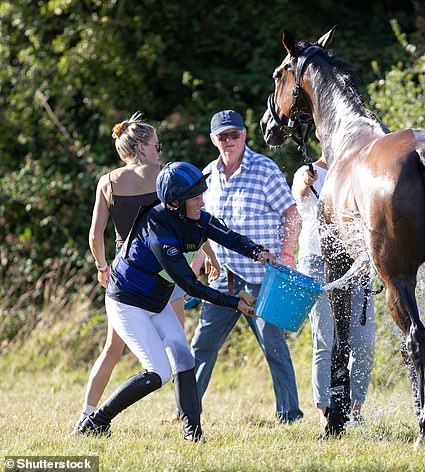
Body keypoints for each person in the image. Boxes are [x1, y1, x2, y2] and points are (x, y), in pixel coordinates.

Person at [75, 161, 274, 441]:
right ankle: (96, 422)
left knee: (183, 357)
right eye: (195, 197)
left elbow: (228, 236)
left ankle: (193, 434)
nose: (201, 201)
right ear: (175, 203)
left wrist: (258, 252)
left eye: (201, 194)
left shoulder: (194, 217)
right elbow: (190, 285)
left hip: (155, 301)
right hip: (126, 302)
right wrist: (235, 303)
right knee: (158, 371)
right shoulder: (159, 232)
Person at [75, 113, 220, 431]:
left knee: (112, 349)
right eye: (157, 145)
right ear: (141, 147)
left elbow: (95, 235)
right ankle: (186, 420)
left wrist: (102, 266)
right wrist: (209, 256)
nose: (160, 151)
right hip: (167, 271)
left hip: (126, 274)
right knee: (178, 347)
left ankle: (87, 413)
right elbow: (190, 221)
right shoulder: (165, 177)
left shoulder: (108, 182)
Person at [190, 110, 304, 423]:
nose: (229, 141)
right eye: (222, 136)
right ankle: (187, 410)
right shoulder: (207, 177)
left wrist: (286, 255)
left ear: (244, 135)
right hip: (224, 279)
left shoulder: (264, 169)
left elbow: (292, 215)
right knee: (202, 345)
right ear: (214, 139)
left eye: (234, 134)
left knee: (274, 347)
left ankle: (289, 415)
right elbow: (203, 230)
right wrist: (197, 266)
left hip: (264, 279)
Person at [292, 158, 376, 425]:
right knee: (326, 338)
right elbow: (300, 193)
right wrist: (307, 184)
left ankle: (355, 409)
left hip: (357, 259)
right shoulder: (308, 171)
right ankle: (326, 411)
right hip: (317, 261)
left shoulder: (362, 168)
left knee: (363, 343)